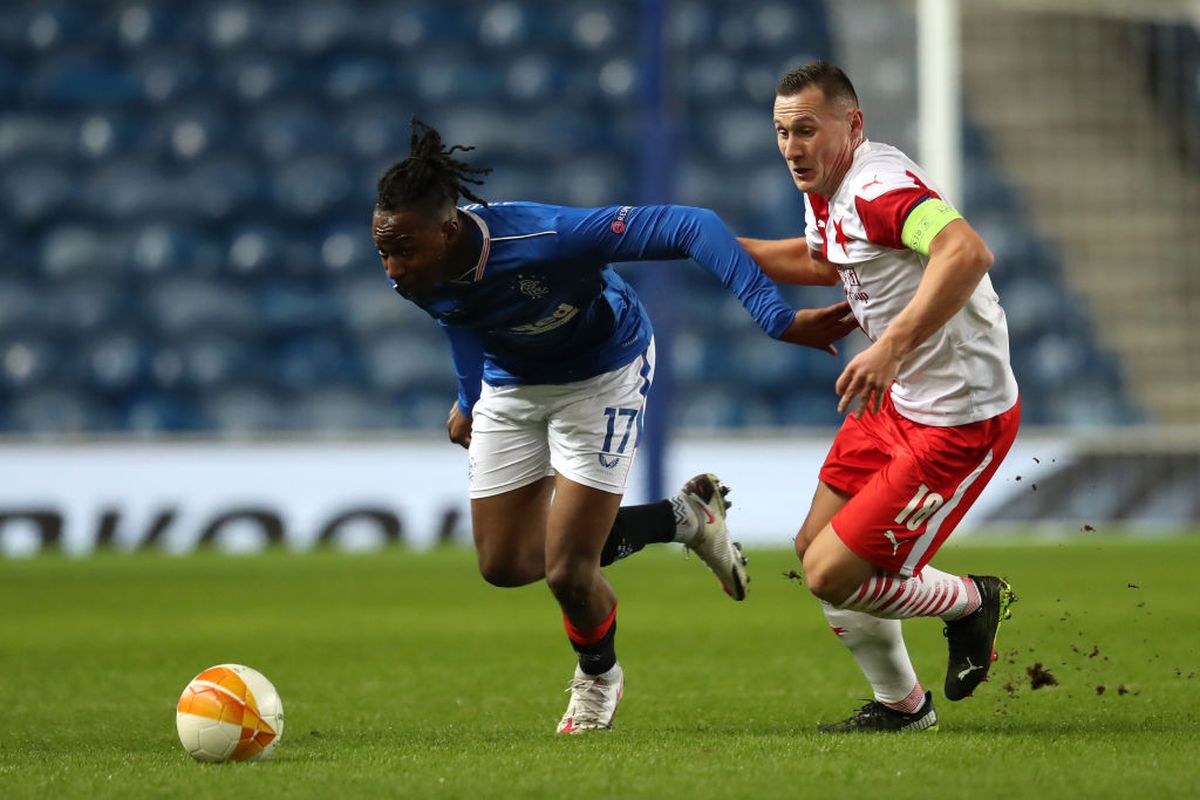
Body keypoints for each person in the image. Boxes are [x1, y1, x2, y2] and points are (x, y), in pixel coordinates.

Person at [372, 119, 857, 734]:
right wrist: (469, 397)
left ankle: (597, 681)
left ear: (448, 227)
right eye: (382, 250)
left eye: (402, 250)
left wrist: (775, 317)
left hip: (603, 374)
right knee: (505, 563)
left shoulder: (547, 237)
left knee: (569, 571)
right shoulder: (419, 269)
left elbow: (692, 225)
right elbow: (459, 317)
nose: (391, 268)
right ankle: (681, 518)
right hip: (511, 384)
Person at [738, 61, 1022, 732]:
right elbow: (820, 261)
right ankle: (903, 707)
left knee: (831, 575)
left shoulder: (876, 188)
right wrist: (709, 247)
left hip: (958, 417)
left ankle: (970, 601)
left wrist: (891, 343)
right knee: (815, 550)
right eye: (781, 133)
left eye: (805, 130)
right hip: (898, 402)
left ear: (852, 123)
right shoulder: (828, 186)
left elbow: (965, 250)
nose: (791, 148)